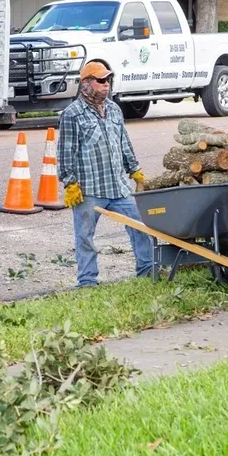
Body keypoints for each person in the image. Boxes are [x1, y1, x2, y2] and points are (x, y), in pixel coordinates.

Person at [58, 60, 154, 287]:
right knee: (84, 237)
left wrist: (136, 171)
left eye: (108, 80)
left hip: (118, 187)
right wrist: (70, 182)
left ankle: (148, 270)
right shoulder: (72, 115)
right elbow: (65, 152)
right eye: (101, 80)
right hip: (89, 190)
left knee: (141, 226)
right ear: (86, 84)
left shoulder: (113, 109)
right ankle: (87, 281)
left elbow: (124, 143)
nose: (106, 84)